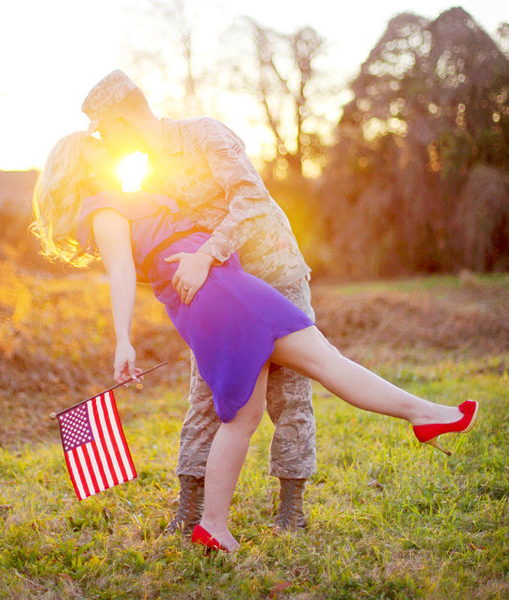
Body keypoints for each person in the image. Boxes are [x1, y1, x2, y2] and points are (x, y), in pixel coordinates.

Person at [31, 131, 479, 553]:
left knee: (242, 418)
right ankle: (426, 414)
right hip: (221, 296)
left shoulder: (115, 201)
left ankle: (213, 525)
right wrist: (123, 340)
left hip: (217, 290)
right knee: (323, 362)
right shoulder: (103, 210)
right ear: (79, 163)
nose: (102, 145)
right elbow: (123, 275)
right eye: (92, 144)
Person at [81, 70, 316, 534]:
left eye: (105, 131)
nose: (106, 142)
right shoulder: (149, 176)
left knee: (289, 397)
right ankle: (189, 506)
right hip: (220, 295)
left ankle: (292, 508)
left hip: (274, 274)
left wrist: (208, 254)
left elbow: (251, 198)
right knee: (204, 392)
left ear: (124, 120)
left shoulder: (204, 133)